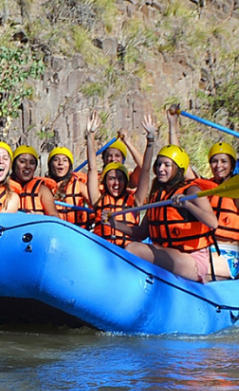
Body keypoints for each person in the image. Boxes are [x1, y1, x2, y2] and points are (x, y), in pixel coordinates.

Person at [105, 145, 226, 283]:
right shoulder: (157, 195)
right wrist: (114, 224)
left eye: (166, 165)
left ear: (178, 168)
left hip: (192, 260)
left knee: (133, 249)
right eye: (159, 164)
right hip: (167, 254)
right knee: (131, 247)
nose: (160, 169)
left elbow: (213, 222)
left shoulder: (191, 191)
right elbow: (141, 233)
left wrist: (187, 205)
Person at [86, 112, 155, 247]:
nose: (116, 183)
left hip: (126, 252)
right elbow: (92, 168)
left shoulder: (135, 200)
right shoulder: (98, 199)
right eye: (111, 179)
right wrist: (90, 135)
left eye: (120, 179)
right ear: (105, 181)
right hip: (103, 250)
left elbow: (145, 170)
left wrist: (151, 139)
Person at [207, 141, 239, 280]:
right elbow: (181, 165)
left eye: (224, 161)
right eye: (214, 161)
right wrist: (172, 126)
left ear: (232, 165)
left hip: (228, 256)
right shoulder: (205, 188)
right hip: (205, 250)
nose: (218, 165)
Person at [47, 146, 91, 229]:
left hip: (76, 232)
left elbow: (96, 204)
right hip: (52, 231)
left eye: (65, 160)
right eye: (56, 160)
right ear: (50, 164)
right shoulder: (44, 187)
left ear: (69, 165)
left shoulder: (79, 186)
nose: (60, 163)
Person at [10, 145, 59, 217]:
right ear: (14, 164)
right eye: (22, 162)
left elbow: (54, 215)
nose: (27, 166)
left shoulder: (42, 190)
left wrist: (39, 217)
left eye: (32, 163)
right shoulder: (4, 187)